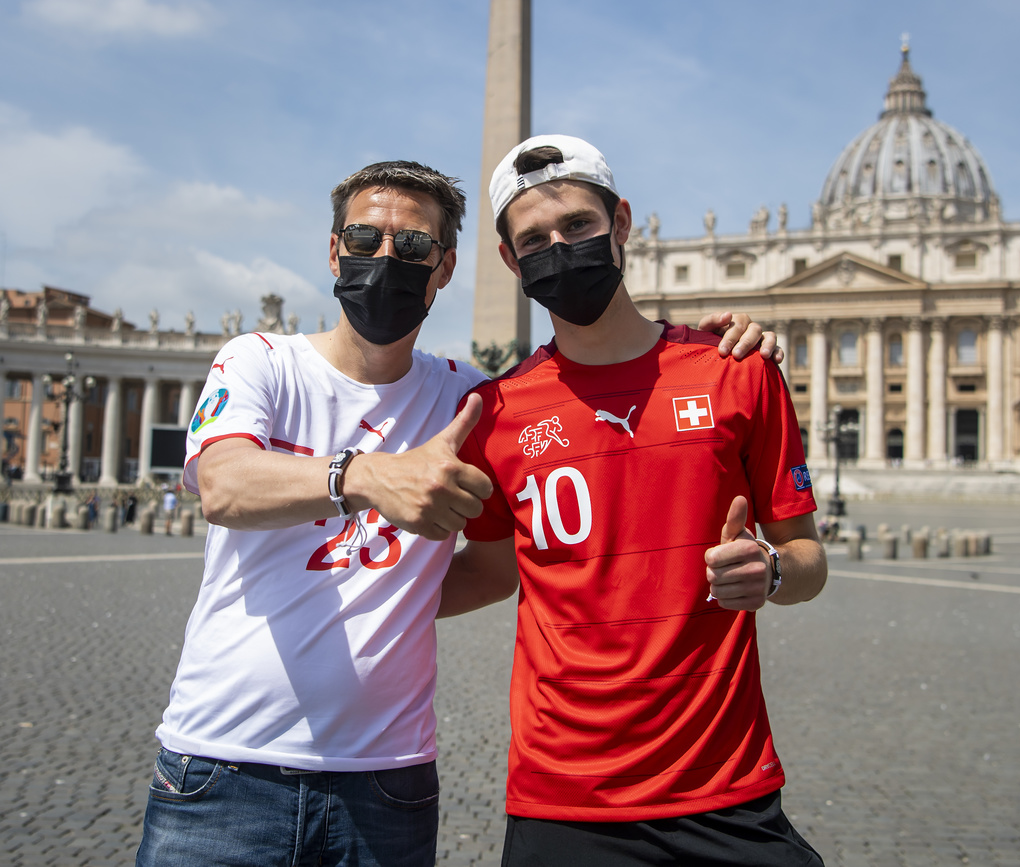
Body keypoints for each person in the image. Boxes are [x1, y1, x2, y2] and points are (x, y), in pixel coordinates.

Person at [134, 158, 777, 867]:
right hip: (220, 761)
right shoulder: (259, 360)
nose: (385, 258)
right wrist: (366, 476)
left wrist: (709, 341)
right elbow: (223, 485)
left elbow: (499, 568)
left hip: (386, 776)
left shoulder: (475, 400)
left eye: (412, 247)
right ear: (331, 249)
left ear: (443, 269)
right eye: (363, 239)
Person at [447, 135, 828, 866]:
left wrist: (771, 571)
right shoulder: (492, 414)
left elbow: (809, 559)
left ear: (621, 224)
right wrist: (339, 584)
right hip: (564, 797)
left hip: (723, 786)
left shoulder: (737, 375)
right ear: (509, 260)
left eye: (578, 227)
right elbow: (491, 572)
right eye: (534, 239)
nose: (558, 248)